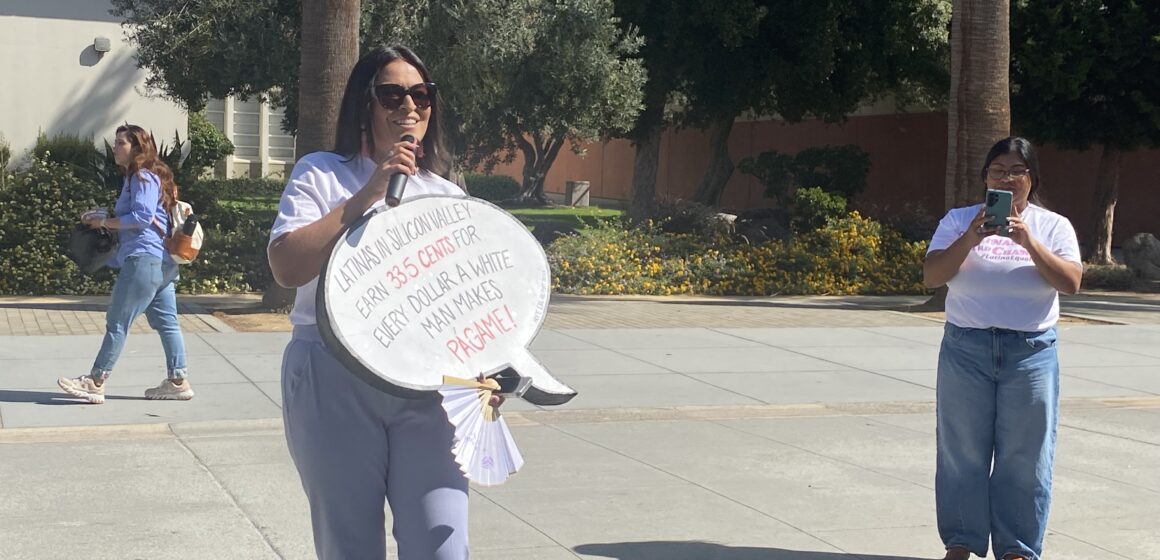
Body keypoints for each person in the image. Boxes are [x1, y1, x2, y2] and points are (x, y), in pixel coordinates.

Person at [268, 45, 480, 559]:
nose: (409, 106)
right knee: (350, 547)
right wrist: (369, 192)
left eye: (421, 94)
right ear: (364, 104)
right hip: (333, 374)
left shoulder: (449, 197)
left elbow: (464, 302)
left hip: (430, 390)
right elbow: (287, 266)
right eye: (392, 93)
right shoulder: (321, 175)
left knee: (442, 546)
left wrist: (485, 375)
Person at [923, 137, 1083, 560]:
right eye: (998, 170)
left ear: (1032, 179)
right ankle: (960, 542)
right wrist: (970, 239)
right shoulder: (959, 220)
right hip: (966, 349)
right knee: (962, 451)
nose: (1007, 178)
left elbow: (1070, 283)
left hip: (1029, 352)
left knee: (1024, 456)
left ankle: (1017, 548)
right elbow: (932, 276)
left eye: (1017, 171)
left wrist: (1029, 242)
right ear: (985, 178)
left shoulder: (1053, 226)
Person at [57, 124, 193, 404]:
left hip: (144, 260)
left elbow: (142, 217)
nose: (116, 147)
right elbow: (144, 216)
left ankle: (95, 381)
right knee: (168, 323)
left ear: (137, 148)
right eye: (117, 142)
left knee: (118, 322)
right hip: (162, 264)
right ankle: (178, 381)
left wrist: (105, 222)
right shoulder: (148, 177)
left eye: (122, 143)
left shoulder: (142, 176)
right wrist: (103, 217)